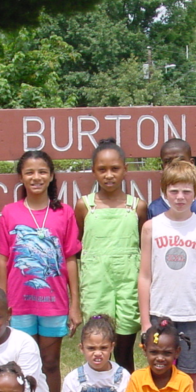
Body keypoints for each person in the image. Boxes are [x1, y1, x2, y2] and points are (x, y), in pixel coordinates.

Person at [0, 150, 81, 392]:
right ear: (21, 177)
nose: (36, 177)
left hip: (53, 301)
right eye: (30, 172)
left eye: (42, 171)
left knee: (50, 362)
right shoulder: (10, 212)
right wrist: (2, 303)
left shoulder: (64, 212)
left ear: (52, 175)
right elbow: (3, 259)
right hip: (18, 302)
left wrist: (74, 304)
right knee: (22, 363)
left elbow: (69, 259)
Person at [138, 159, 196, 392]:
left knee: (194, 377)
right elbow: (145, 276)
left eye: (186, 191)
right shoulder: (151, 227)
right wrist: (146, 321)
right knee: (160, 375)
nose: (180, 197)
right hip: (161, 314)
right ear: (163, 192)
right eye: (174, 191)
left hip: (194, 315)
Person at [74, 139, 147, 372]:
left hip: (128, 285)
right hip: (96, 284)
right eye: (102, 169)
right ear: (93, 171)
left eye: (115, 169)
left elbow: (144, 248)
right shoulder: (84, 206)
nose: (108, 175)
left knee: (124, 352)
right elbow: (79, 244)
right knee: (98, 348)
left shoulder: (137, 207)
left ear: (125, 169)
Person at [146, 139, 196, 227]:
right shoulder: (155, 207)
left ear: (192, 163)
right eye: (167, 162)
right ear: (162, 166)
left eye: (180, 160)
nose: (174, 164)